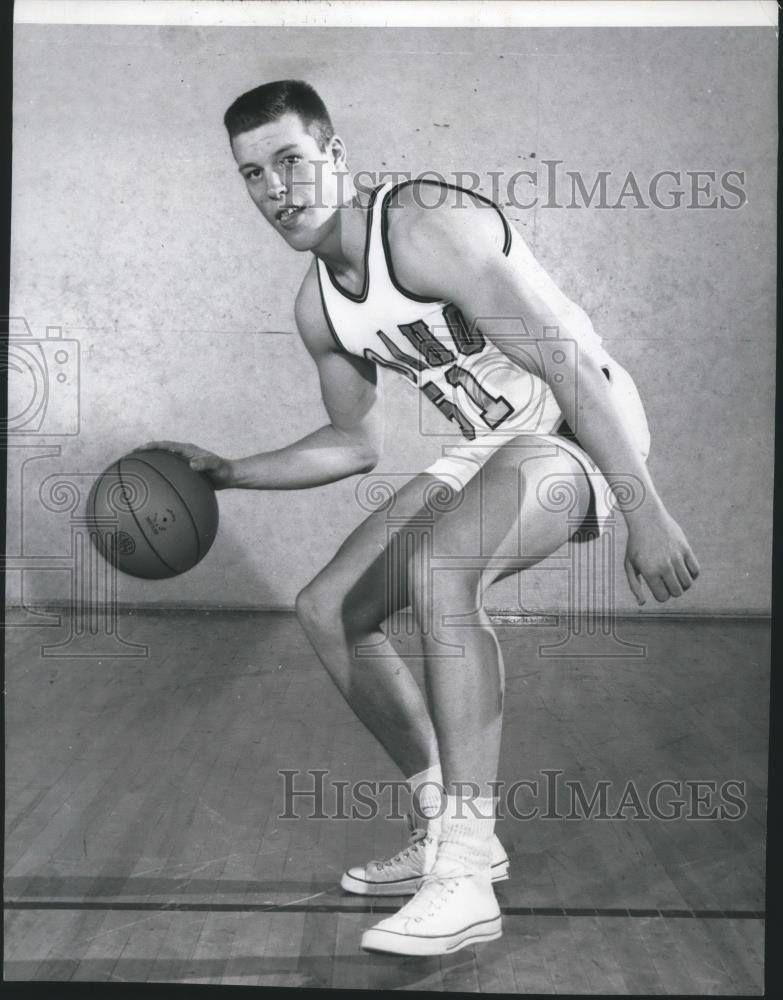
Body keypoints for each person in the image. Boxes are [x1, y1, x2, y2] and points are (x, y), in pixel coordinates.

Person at [141, 80, 700, 956]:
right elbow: (350, 444)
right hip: (492, 442)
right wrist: (229, 474)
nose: (274, 189)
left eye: (289, 160)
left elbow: (563, 362)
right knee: (330, 608)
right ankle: (448, 825)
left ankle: (466, 877)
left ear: (336, 156)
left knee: (446, 575)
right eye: (252, 174)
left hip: (580, 425)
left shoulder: (425, 224)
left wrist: (646, 512)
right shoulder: (317, 306)